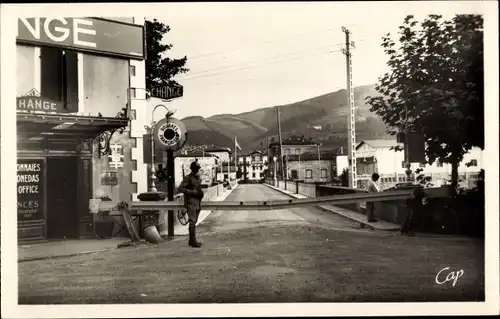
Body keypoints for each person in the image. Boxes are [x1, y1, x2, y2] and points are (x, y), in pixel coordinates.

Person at [178, 161, 205, 248]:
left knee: (194, 221)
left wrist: (199, 193)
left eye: (197, 168)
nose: (197, 170)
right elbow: (180, 188)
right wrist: (192, 192)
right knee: (192, 222)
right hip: (191, 202)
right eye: (195, 169)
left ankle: (191, 240)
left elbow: (199, 189)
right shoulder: (187, 178)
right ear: (192, 169)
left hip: (197, 202)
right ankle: (193, 241)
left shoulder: (198, 178)